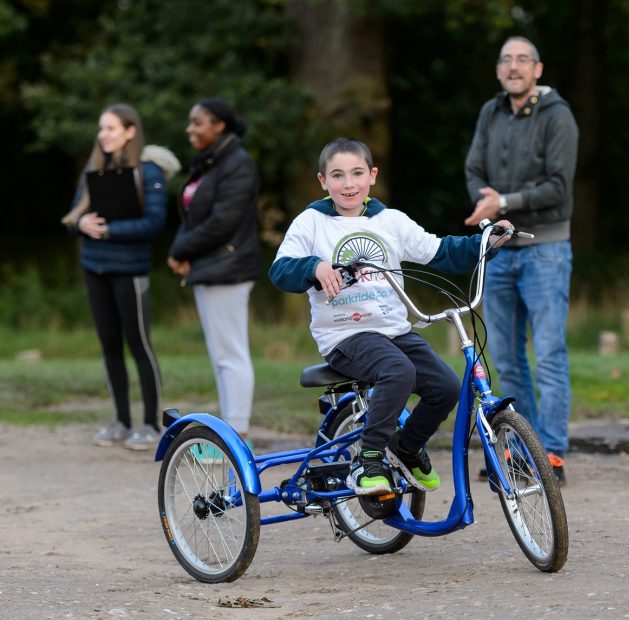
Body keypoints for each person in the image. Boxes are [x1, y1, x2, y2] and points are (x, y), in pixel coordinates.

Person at [269, 137, 512, 495]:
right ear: (323, 181)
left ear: (372, 176)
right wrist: (316, 266)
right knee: (398, 371)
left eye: (356, 174)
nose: (348, 184)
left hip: (393, 329)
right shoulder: (311, 224)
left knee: (445, 387)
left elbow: (440, 251)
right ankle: (368, 460)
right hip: (345, 335)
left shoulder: (390, 221)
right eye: (337, 176)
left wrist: (483, 244)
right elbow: (280, 270)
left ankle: (406, 448)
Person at [464, 36, 579, 485]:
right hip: (499, 249)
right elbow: (474, 169)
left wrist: (503, 201)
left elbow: (558, 186)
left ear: (538, 69)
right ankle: (519, 452)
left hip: (546, 249)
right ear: (498, 71)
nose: (514, 67)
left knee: (549, 353)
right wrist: (486, 201)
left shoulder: (558, 116)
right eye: (506, 60)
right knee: (508, 359)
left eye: (522, 60)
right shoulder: (490, 113)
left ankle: (550, 453)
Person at [63, 103, 181, 450]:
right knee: (109, 346)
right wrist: (80, 224)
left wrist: (108, 230)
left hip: (130, 271)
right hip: (94, 269)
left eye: (111, 128)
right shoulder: (94, 170)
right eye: (102, 129)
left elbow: (154, 224)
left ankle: (149, 424)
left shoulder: (148, 172)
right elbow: (73, 218)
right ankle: (120, 421)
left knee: (139, 345)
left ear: (130, 131)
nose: (104, 135)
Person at [167, 99, 262, 451]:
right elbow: (193, 215)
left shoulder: (238, 163)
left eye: (197, 123)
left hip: (229, 268)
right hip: (211, 267)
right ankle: (229, 436)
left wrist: (181, 250)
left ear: (219, 125)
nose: (190, 129)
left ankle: (238, 438)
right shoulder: (211, 163)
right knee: (221, 355)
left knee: (231, 354)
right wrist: (181, 251)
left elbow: (224, 221)